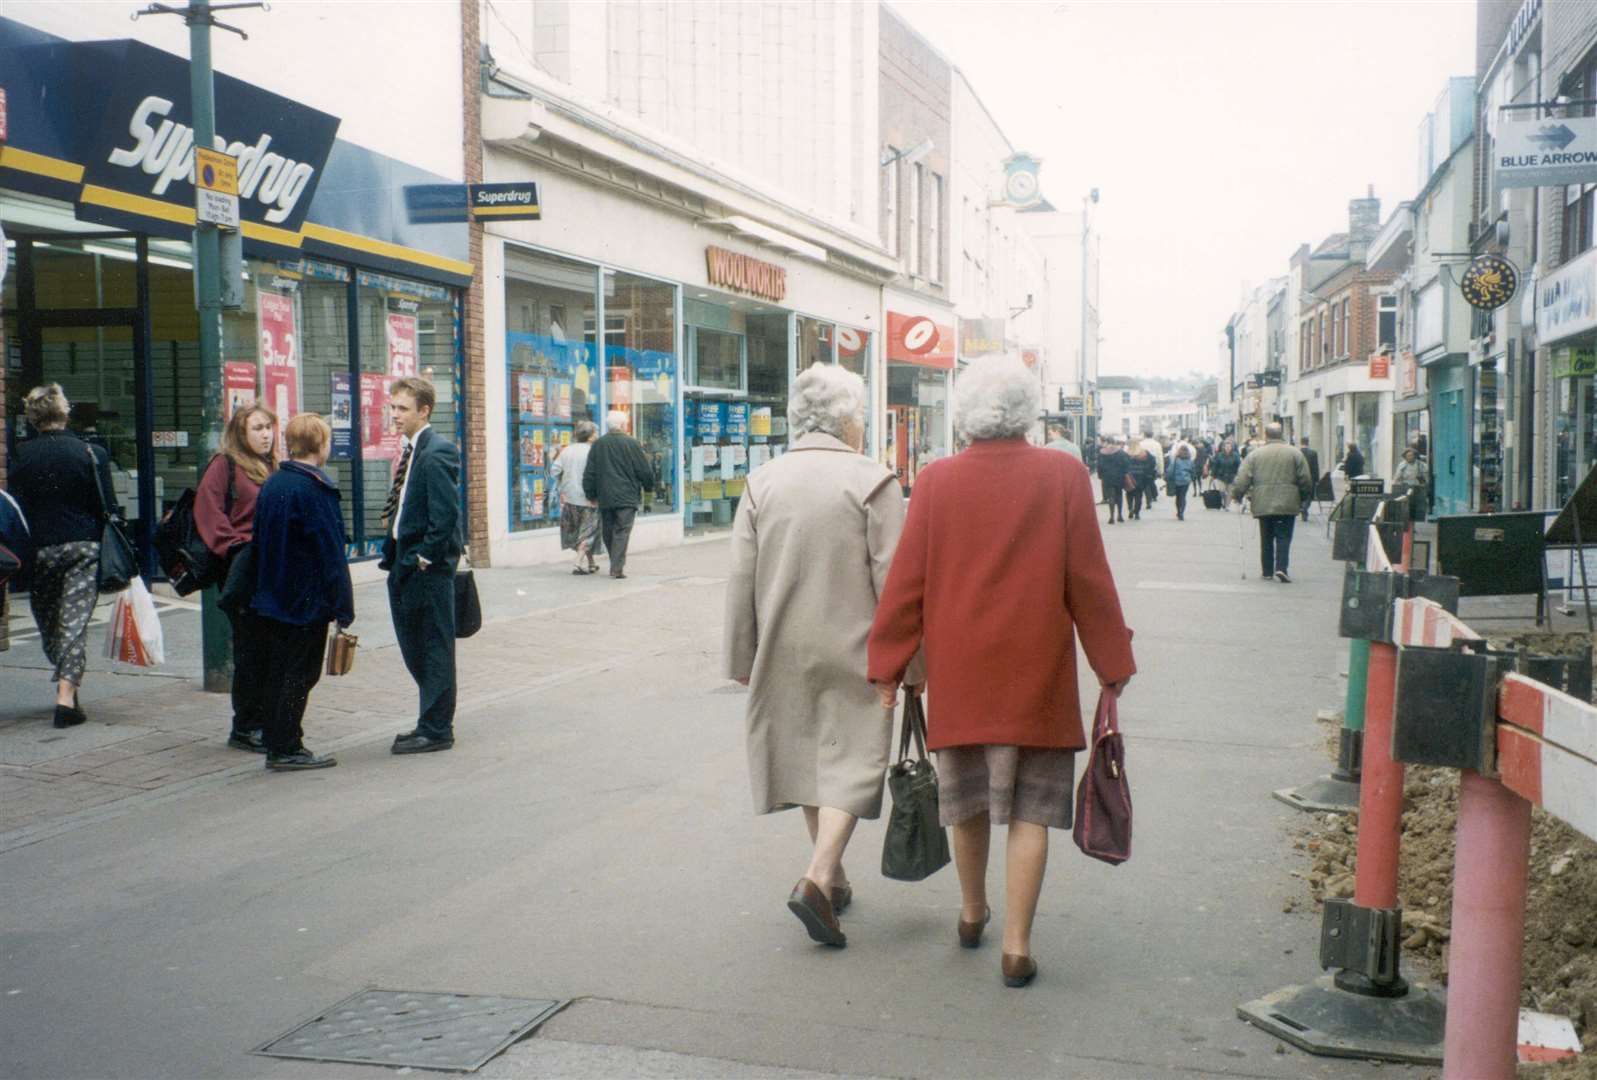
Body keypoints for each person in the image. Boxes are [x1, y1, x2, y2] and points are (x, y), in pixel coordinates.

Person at [867, 359, 1136, 989]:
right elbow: (1088, 581)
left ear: (965, 415)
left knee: (964, 803)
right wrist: (1111, 664)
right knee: (1030, 811)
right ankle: (1016, 947)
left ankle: (969, 912)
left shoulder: (935, 482)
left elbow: (907, 584)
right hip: (1036, 671)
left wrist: (887, 665)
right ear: (1028, 411)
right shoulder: (1063, 475)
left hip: (961, 671)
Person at [724, 364, 918, 949]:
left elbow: (740, 577)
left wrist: (741, 654)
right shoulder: (872, 480)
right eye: (859, 415)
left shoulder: (763, 481)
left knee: (811, 758)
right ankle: (816, 877)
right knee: (854, 759)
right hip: (857, 645)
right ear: (846, 420)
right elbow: (897, 581)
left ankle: (832, 879)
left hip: (783, 643)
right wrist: (913, 664)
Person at [9, 384, 118, 729]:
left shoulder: (21, 457)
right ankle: (66, 694)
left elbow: (17, 508)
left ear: (32, 416)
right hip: (83, 546)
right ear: (65, 412)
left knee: (48, 620)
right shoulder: (91, 453)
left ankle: (65, 688)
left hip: (39, 549)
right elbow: (109, 507)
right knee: (74, 621)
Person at [249, 414, 354, 771]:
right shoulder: (315, 489)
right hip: (307, 599)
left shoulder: (274, 483)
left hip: (273, 594)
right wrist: (343, 606)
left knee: (279, 670)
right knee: (301, 672)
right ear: (321, 446)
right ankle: (287, 745)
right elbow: (330, 553)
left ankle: (277, 739)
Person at [380, 376, 464, 755]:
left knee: (433, 647)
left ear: (424, 411)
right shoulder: (413, 449)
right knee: (415, 645)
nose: (394, 415)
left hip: (424, 568)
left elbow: (445, 515)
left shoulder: (437, 450)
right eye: (393, 407)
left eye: (403, 409)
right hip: (403, 562)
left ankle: (436, 728)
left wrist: (425, 558)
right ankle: (428, 720)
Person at [194, 404, 278, 752]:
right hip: (242, 566)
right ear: (241, 433)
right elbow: (208, 510)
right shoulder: (224, 464)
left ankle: (262, 719)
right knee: (250, 648)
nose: (265, 434)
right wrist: (233, 547)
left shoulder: (271, 466)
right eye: (257, 428)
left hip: (270, 566)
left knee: (268, 647)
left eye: (269, 427)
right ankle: (245, 726)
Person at [1230, 422, 1313, 584]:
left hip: (1263, 502)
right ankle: (1281, 568)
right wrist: (1303, 497)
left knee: (1266, 537)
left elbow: (1243, 478)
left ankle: (1267, 570)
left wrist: (1237, 495)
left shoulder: (1255, 455)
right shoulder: (1295, 454)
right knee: (1283, 536)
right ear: (1282, 434)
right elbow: (1305, 479)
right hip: (1287, 502)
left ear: (1266, 435)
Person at [582, 410, 655, 579]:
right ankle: (616, 567)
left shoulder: (598, 444)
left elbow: (590, 472)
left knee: (608, 530)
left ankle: (615, 562)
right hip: (627, 496)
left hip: (606, 496)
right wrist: (649, 487)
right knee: (622, 531)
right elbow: (644, 470)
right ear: (623, 425)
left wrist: (590, 493)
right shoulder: (632, 443)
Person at [551, 420, 601, 575]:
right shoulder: (593, 451)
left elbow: (554, 471)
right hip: (589, 498)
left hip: (570, 498)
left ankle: (591, 563)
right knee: (588, 531)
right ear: (591, 436)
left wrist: (563, 484)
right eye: (595, 432)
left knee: (581, 531)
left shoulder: (567, 450)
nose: (597, 435)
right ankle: (578, 563)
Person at [1096, 437, 1130, 524]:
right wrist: (1125, 473)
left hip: (1107, 477)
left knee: (1111, 496)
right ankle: (1120, 515)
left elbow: (1099, 466)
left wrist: (1100, 475)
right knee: (1119, 495)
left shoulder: (1102, 453)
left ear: (1107, 442)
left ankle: (1111, 517)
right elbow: (1126, 463)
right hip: (1119, 476)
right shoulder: (1121, 452)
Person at [1392, 446, 1430, 520]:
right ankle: (1408, 524)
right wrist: (1395, 484)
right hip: (1406, 487)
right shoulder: (1402, 465)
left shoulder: (1421, 465)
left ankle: (1415, 524)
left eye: (1411, 455)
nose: (1409, 457)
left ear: (1415, 456)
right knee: (1407, 507)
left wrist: (1424, 483)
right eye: (1408, 456)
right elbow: (1397, 477)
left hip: (1418, 488)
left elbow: (1426, 477)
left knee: (1417, 508)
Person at [1207, 439, 1241, 512]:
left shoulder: (1235, 456)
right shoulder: (1219, 455)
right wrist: (1213, 475)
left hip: (1232, 476)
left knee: (1230, 492)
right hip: (1221, 476)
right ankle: (1224, 501)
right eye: (1226, 446)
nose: (1228, 448)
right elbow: (1215, 465)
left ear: (1232, 447)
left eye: (1229, 446)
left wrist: (1238, 475)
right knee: (1222, 491)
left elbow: (1239, 466)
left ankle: (1227, 506)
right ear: (1224, 447)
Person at [1126, 442, 1156, 520]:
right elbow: (1152, 463)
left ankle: (1130, 509)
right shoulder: (1144, 454)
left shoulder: (1127, 454)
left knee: (1129, 494)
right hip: (1141, 477)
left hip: (1130, 477)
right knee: (1138, 495)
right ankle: (1137, 513)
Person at [1167, 443, 1196, 521]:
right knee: (1183, 496)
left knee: (1178, 497)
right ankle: (1181, 512)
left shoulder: (1176, 460)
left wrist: (1167, 477)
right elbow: (1193, 471)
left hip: (1177, 481)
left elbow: (1170, 470)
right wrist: (1192, 478)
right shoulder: (1190, 461)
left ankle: (1178, 511)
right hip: (1186, 481)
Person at [1137, 429, 1164, 505]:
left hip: (1141, 466)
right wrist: (1161, 470)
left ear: (1144, 435)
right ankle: (1151, 497)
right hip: (1152, 466)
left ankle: (1147, 498)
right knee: (1150, 482)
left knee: (1143, 483)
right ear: (1152, 435)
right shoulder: (1157, 444)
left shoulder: (1140, 444)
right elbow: (1160, 458)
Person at [1298, 437, 1321, 522]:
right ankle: (1305, 508)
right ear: (1308, 443)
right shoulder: (1313, 453)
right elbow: (1316, 467)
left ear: (1301, 442)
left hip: (1299, 478)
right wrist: (1317, 479)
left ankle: (1302, 507)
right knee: (1310, 495)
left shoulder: (1297, 453)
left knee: (1300, 494)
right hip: (1311, 478)